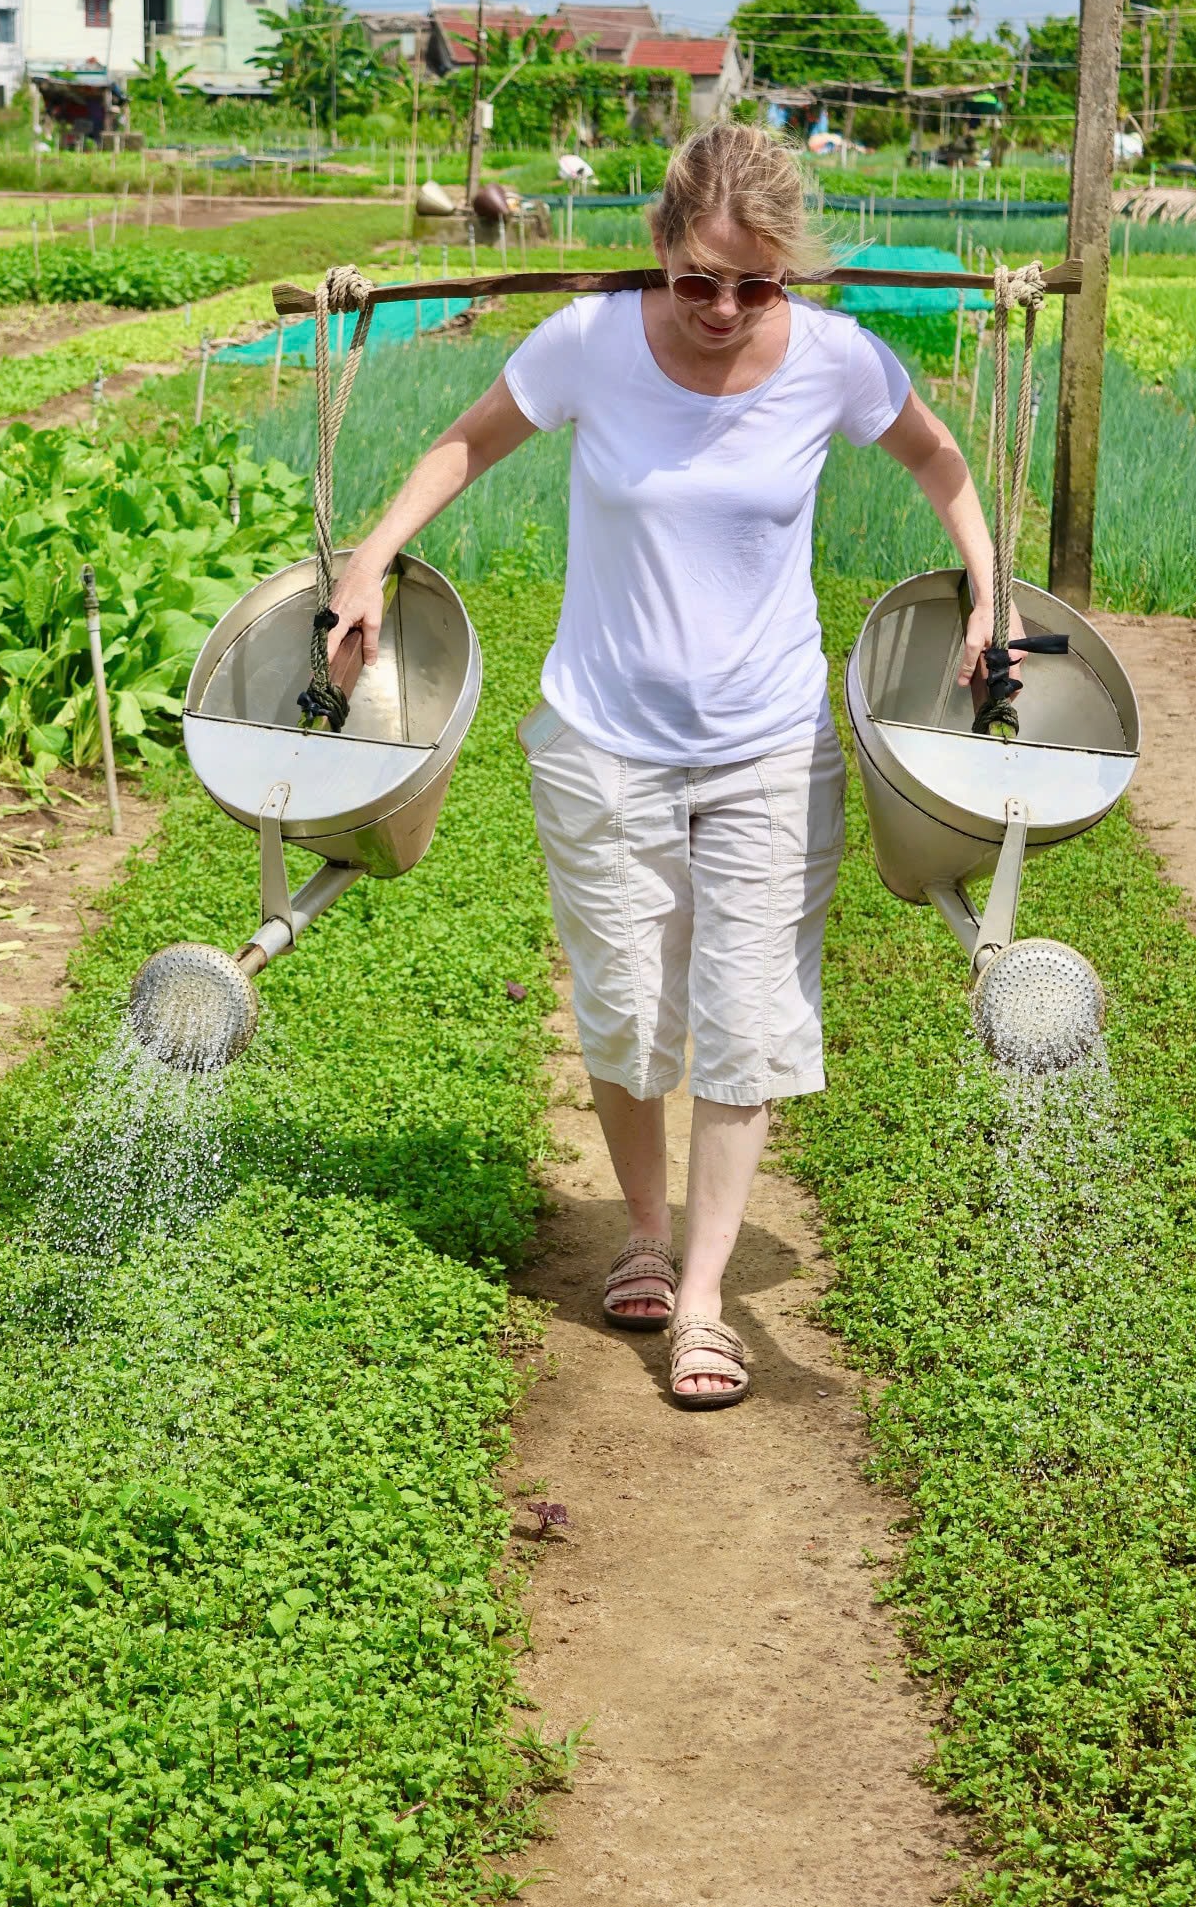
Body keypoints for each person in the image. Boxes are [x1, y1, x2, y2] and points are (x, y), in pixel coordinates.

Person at [327, 122, 1017, 1409]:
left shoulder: (831, 361)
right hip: (602, 739)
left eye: (754, 284)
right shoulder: (591, 339)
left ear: (789, 277)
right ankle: (644, 1227)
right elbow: (467, 443)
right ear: (661, 249)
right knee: (631, 1004)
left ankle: (701, 1299)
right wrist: (369, 557)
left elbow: (939, 462)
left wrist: (993, 589)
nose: (721, 307)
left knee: (746, 1018)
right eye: (698, 276)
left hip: (767, 743)